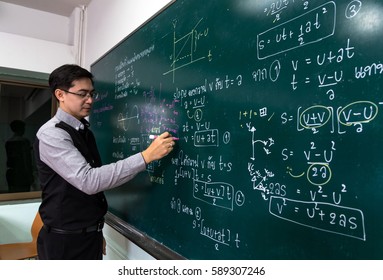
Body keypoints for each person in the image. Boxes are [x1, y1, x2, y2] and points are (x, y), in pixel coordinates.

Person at [34, 64, 175, 259]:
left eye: (92, 93)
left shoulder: (84, 131)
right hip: (65, 244)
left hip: (88, 236)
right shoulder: (52, 134)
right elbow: (89, 181)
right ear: (60, 94)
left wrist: (94, 230)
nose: (90, 100)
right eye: (82, 94)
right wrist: (146, 157)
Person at [5, 120, 34, 193]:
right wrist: (30, 175)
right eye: (23, 128)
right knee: (23, 195)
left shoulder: (8, 142)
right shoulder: (24, 142)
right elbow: (26, 160)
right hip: (22, 174)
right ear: (20, 129)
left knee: (13, 194)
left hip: (11, 173)